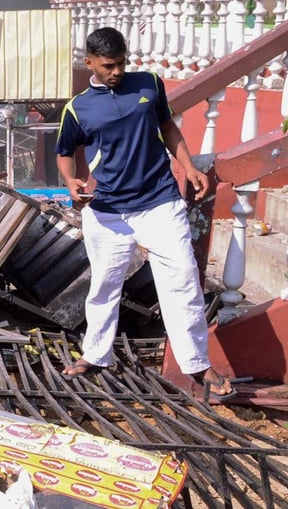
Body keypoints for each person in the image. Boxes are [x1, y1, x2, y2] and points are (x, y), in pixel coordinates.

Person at [55, 26, 235, 402]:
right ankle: (95, 356)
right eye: (108, 65)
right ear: (89, 63)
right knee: (105, 284)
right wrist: (72, 182)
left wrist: (189, 166)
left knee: (183, 279)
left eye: (121, 63)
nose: (117, 71)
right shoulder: (78, 107)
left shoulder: (149, 84)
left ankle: (197, 363)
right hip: (106, 210)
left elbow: (168, 127)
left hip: (158, 200)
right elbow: (66, 151)